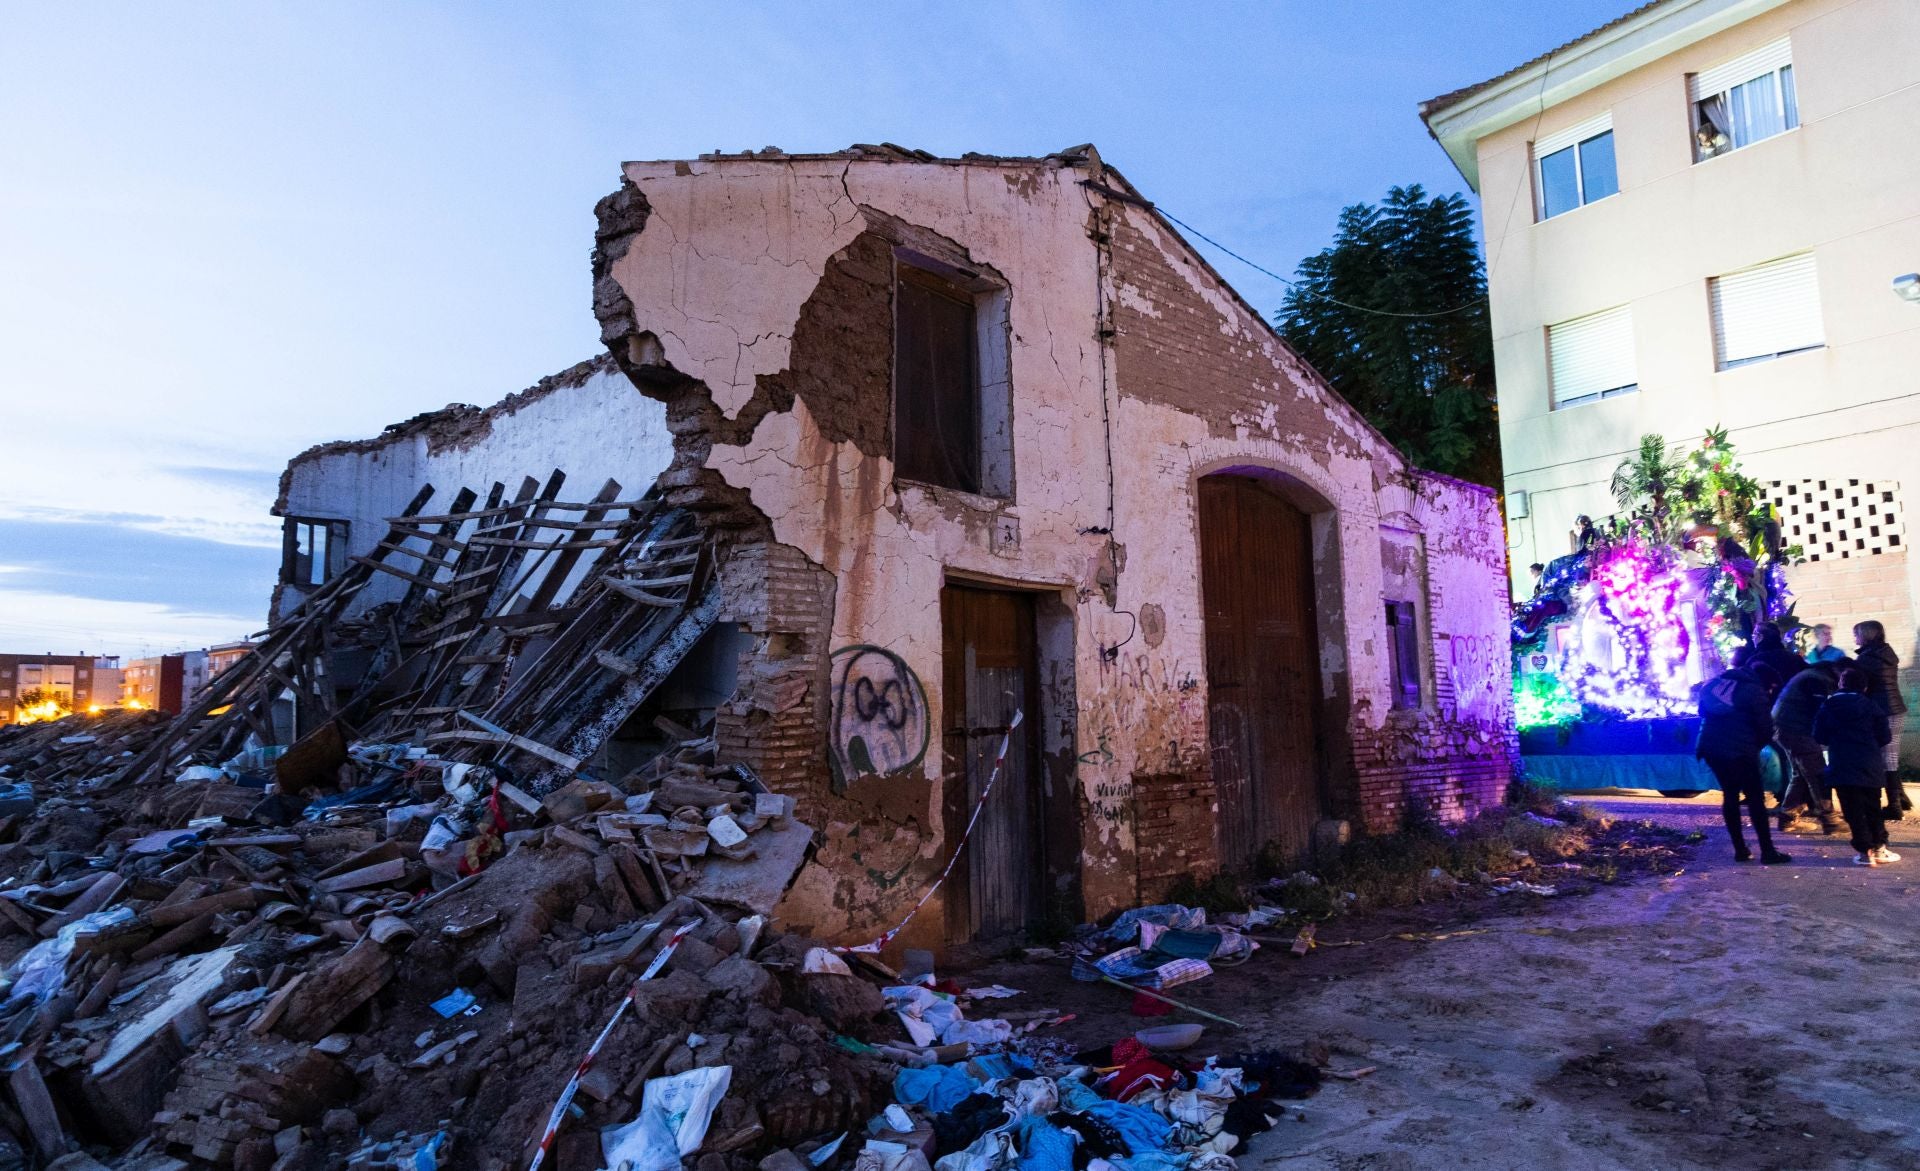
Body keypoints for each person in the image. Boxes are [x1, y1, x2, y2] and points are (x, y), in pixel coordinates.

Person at [1695, 648, 1792, 863]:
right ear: (1765, 682)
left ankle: (1740, 850)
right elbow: (1766, 728)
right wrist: (1754, 747)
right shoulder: (1754, 690)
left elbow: (1702, 712)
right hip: (1741, 751)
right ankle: (1767, 851)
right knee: (1756, 799)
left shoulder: (1715, 684)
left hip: (1711, 747)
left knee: (1730, 795)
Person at [1814, 667, 1898, 866]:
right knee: (1872, 807)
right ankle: (1879, 847)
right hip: (1869, 765)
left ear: (1841, 685)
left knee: (1852, 810)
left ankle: (1863, 852)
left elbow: (1819, 736)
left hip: (1841, 765)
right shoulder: (1871, 706)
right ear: (1865, 686)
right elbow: (1885, 737)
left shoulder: (1828, 706)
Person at [1772, 663, 1845, 834]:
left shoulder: (1812, 675)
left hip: (1784, 728)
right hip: (1796, 730)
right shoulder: (1816, 680)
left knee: (1802, 774)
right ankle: (1830, 820)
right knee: (1818, 774)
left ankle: (1787, 818)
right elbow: (1820, 711)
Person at [1852, 620, 1909, 819]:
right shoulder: (1885, 653)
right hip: (1895, 708)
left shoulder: (1867, 659)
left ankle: (1894, 807)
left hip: (1884, 711)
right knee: (1890, 754)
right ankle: (1901, 799)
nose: (1855, 638)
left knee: (1887, 758)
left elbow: (1861, 685)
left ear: (1867, 635)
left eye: (1857, 634)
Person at [1749, 623, 1806, 693]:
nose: (1753, 639)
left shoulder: (1755, 661)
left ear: (1761, 637)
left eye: (1754, 635)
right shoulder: (1794, 658)